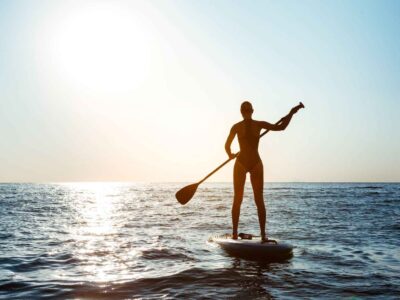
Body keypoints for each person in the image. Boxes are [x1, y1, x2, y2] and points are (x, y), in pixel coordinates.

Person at [224, 101, 303, 242]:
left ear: (241, 112)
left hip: (241, 162)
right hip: (256, 163)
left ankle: (235, 234)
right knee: (259, 200)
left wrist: (230, 154)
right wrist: (291, 112)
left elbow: (227, 146)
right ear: (252, 111)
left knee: (237, 199)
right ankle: (263, 235)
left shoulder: (236, 127)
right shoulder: (259, 124)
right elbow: (282, 127)